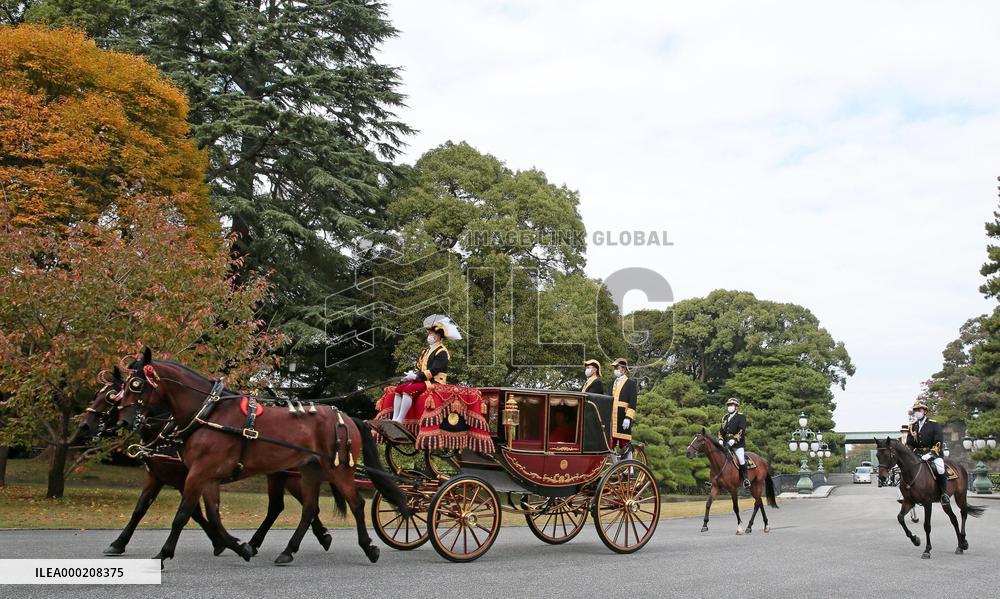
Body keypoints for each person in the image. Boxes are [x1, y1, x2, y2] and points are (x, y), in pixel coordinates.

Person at [391, 315, 461, 423]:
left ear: (438, 336)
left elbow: (435, 370)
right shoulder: (426, 351)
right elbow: (419, 367)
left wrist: (417, 376)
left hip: (434, 381)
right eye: (429, 334)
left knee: (407, 390)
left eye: (431, 334)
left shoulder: (442, 351)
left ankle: (400, 419)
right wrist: (411, 374)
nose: (429, 336)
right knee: (399, 389)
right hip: (422, 379)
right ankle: (394, 418)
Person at [905, 400, 950, 505]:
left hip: (933, 453)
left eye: (919, 410)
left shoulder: (933, 424)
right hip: (917, 455)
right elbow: (910, 443)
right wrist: (910, 453)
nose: (917, 412)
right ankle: (907, 493)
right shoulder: (912, 426)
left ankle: (943, 494)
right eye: (915, 410)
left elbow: (938, 442)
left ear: (924, 411)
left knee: (940, 467)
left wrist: (930, 454)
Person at [609, 358, 637, 459]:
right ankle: (615, 467)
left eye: (617, 367)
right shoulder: (612, 383)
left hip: (623, 417)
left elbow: (633, 403)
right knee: (609, 444)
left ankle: (630, 470)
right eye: (615, 368)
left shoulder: (631, 383)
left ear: (623, 369)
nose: (615, 370)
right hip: (612, 418)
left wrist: (628, 418)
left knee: (625, 443)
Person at [719, 397, 750, 488]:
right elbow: (721, 431)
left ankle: (745, 479)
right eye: (728, 405)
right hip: (726, 444)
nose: (729, 407)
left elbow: (741, 430)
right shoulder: (725, 417)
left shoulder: (741, 417)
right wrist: (720, 439)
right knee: (716, 457)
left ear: (736, 407)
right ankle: (713, 480)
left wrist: (734, 440)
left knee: (741, 459)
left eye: (731, 405)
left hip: (737, 444)